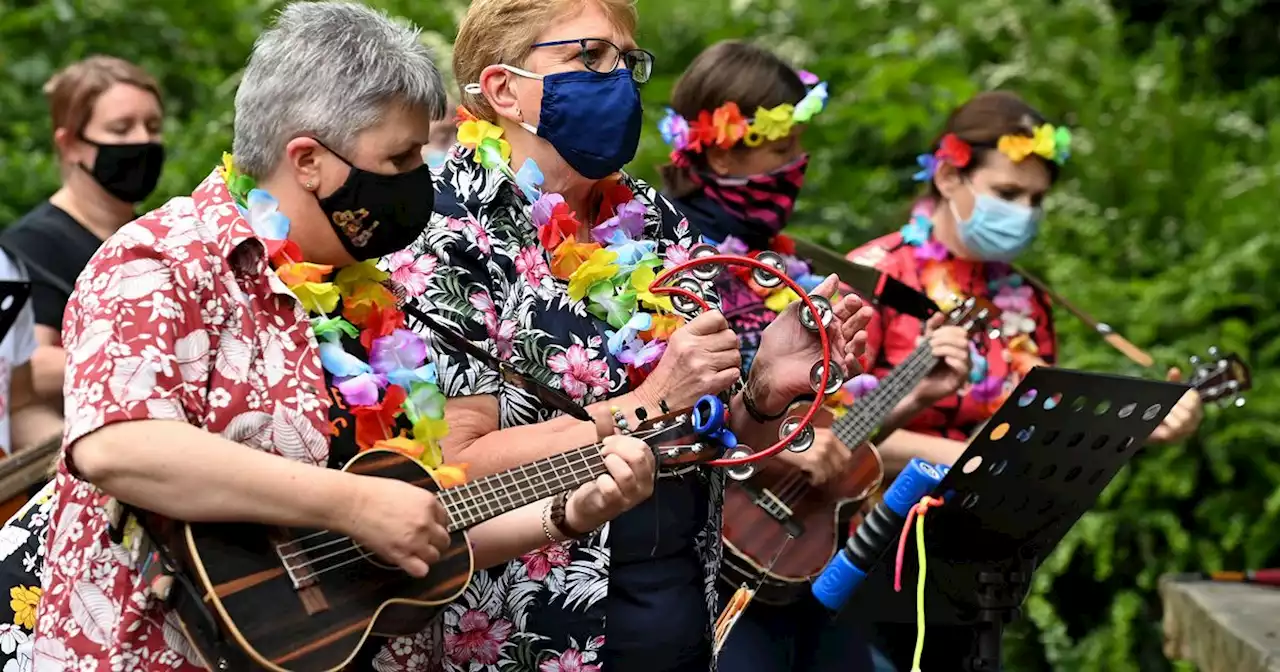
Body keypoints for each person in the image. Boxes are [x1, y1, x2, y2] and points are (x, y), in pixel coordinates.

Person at [18, 4, 659, 670]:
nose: (418, 177)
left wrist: (567, 512)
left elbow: (419, 521)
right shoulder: (163, 259)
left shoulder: (375, 297)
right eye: (399, 157)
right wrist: (351, 502)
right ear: (308, 161)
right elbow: (118, 444)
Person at [403, 2, 874, 671]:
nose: (618, 78)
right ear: (504, 88)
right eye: (589, 57)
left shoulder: (655, 221)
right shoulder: (444, 227)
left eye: (626, 59)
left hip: (678, 613)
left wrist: (765, 393)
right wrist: (647, 401)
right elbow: (453, 471)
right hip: (534, 633)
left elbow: (706, 438)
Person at [822, 90, 1205, 670]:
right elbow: (834, 433)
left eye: (1036, 199)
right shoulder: (874, 276)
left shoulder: (1025, 297)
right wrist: (968, 457)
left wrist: (1136, 425)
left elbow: (1031, 425)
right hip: (872, 551)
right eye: (1007, 193)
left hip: (983, 560)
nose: (1023, 213)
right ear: (950, 177)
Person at [656, 40, 970, 672]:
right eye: (780, 151)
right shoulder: (668, 250)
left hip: (796, 556)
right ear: (719, 144)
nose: (796, 165)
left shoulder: (793, 263)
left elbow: (825, 431)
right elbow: (658, 414)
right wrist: (776, 443)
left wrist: (907, 397)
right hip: (697, 554)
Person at [0, 55, 166, 414]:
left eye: (152, 127)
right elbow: (32, 364)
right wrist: (155, 367)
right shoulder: (33, 244)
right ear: (71, 144)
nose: (144, 141)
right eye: (121, 129)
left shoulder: (155, 234)